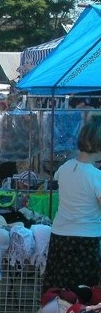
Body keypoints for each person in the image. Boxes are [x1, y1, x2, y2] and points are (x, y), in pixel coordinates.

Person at [43, 116, 101, 292]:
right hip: (86, 241)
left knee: (57, 290)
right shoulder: (96, 177)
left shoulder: (65, 168)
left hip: (60, 235)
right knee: (82, 294)